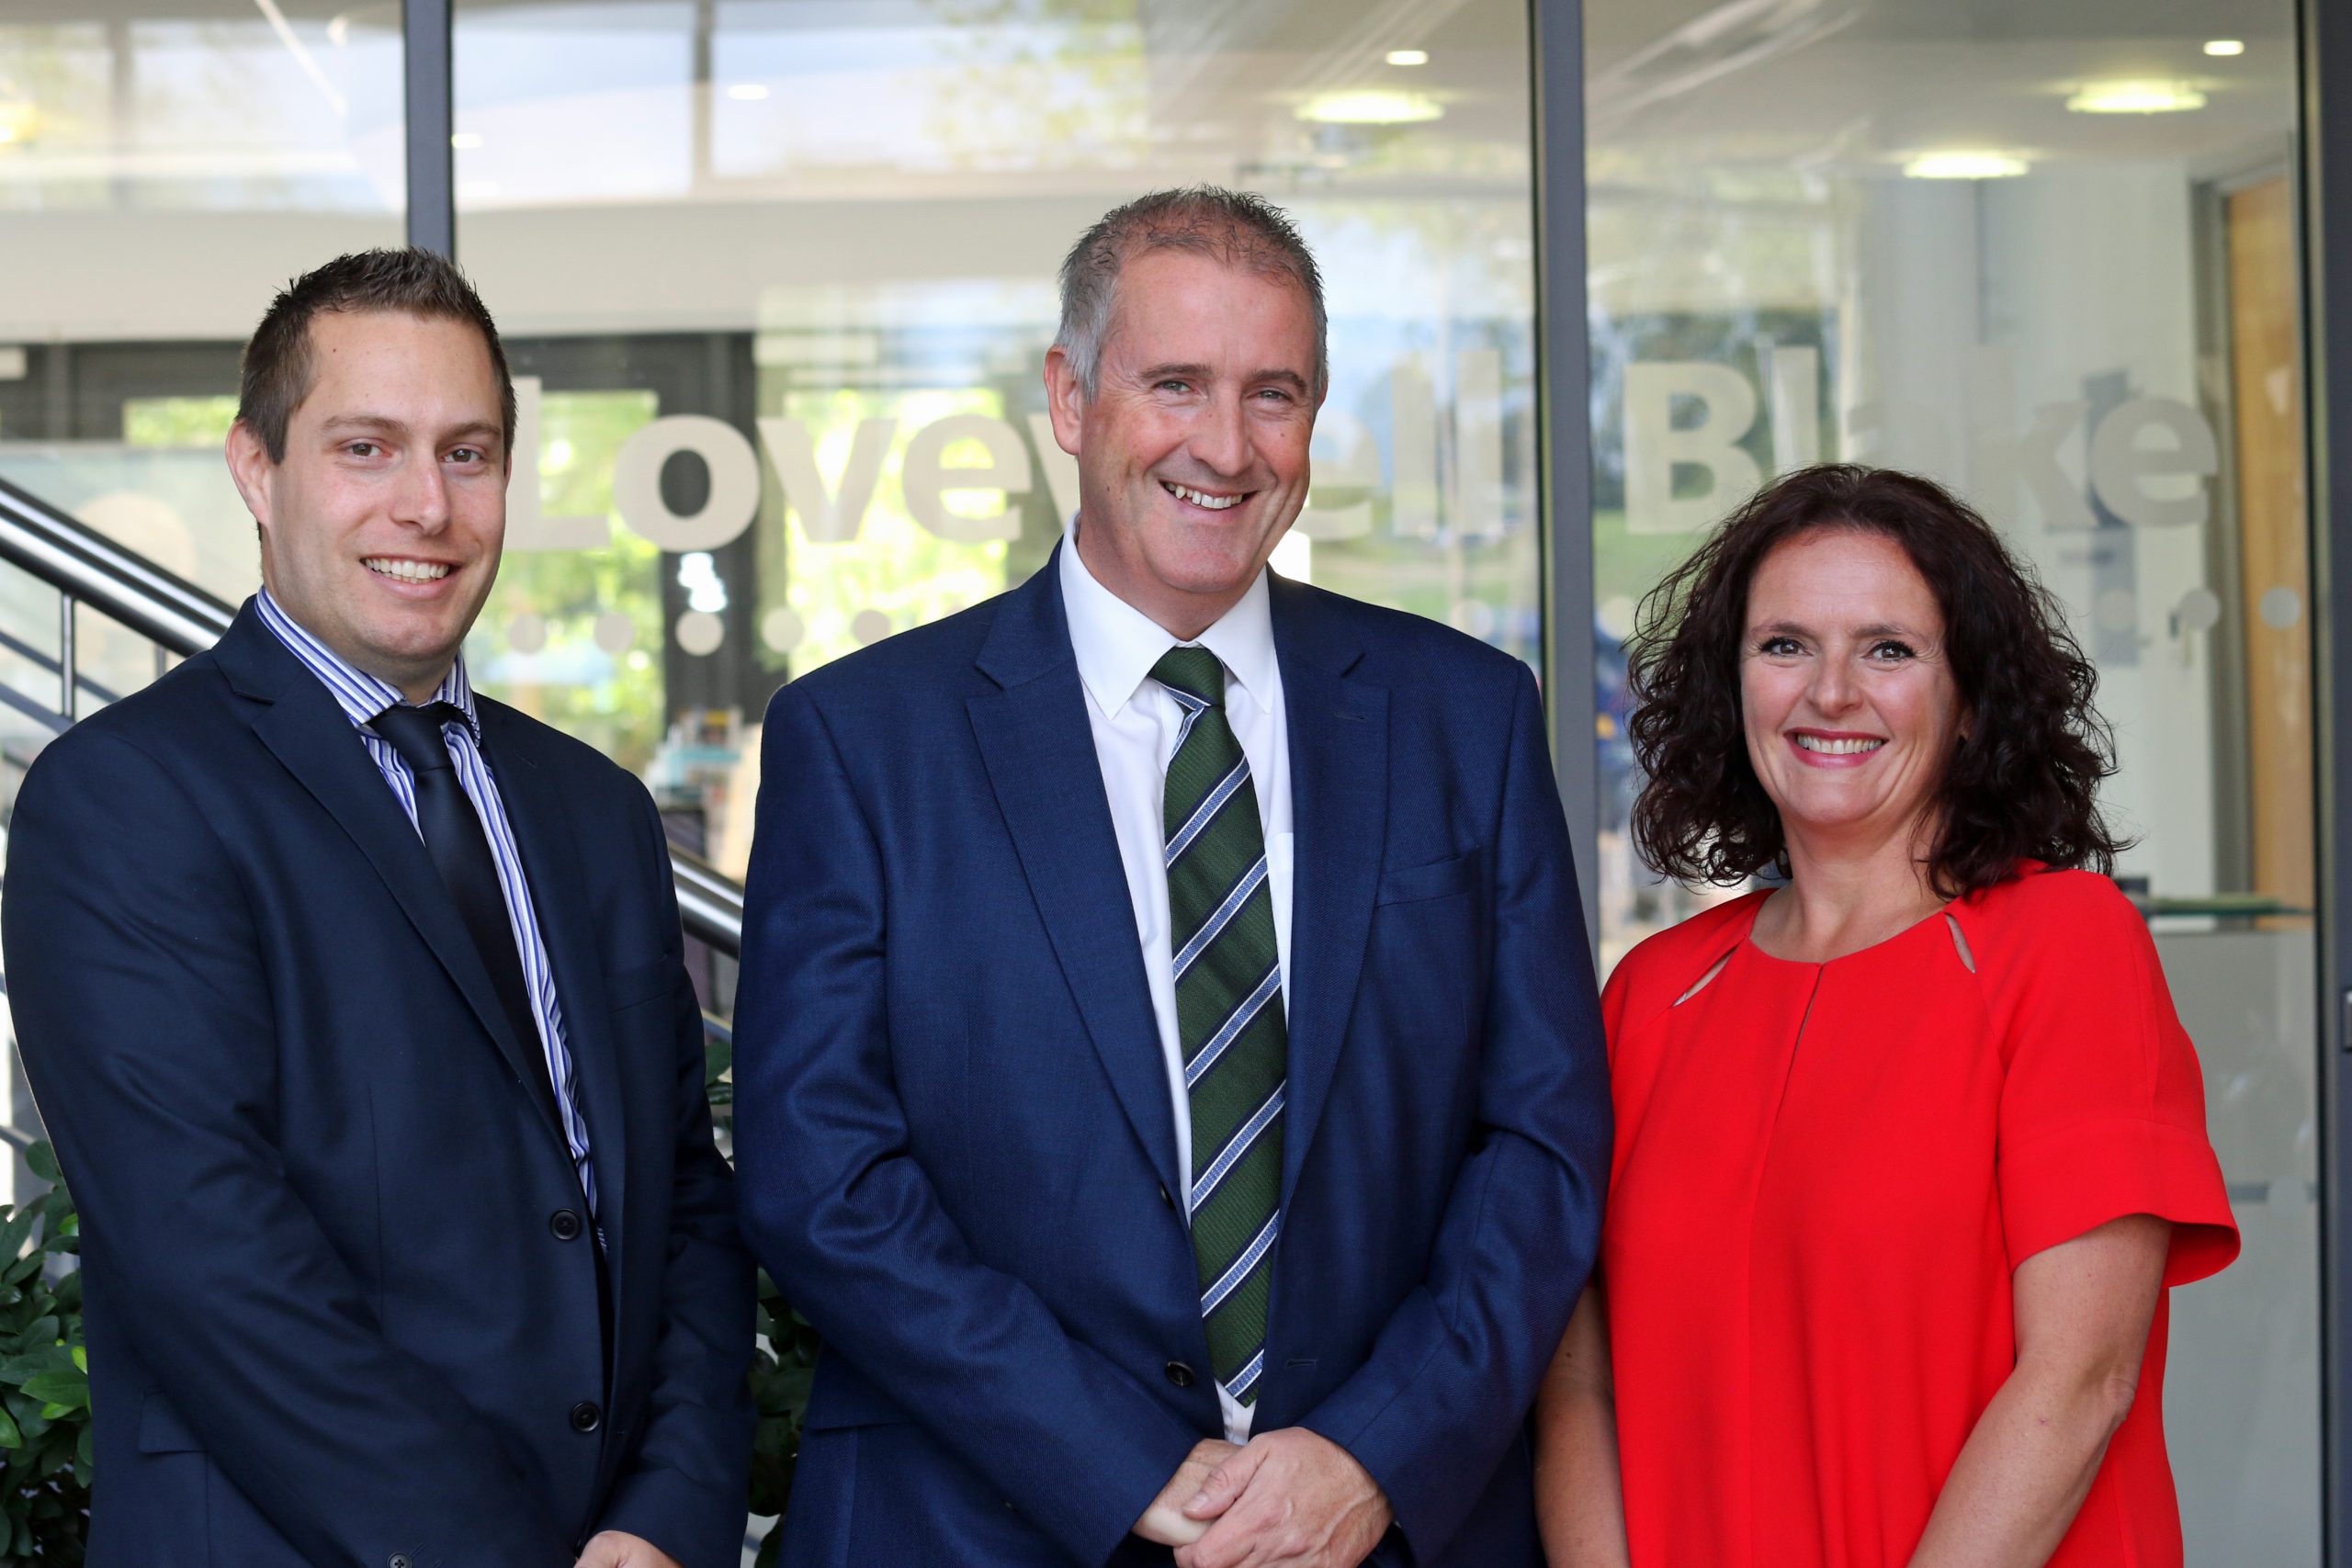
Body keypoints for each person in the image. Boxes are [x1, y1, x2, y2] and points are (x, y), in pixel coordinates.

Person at [730, 186, 1611, 1568]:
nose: (1226, 444)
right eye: (1176, 384)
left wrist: (1377, 1443)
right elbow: (821, 1170)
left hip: (1375, 1526)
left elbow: (1542, 1138)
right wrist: (1118, 1456)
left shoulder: (1465, 715)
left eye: (1275, 393)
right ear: (1071, 398)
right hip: (974, 1518)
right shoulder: (864, 738)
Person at [1, 249, 754, 1568]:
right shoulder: (121, 799)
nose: (428, 505)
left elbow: (680, 1199)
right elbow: (213, 1264)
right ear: (254, 467)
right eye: (367, 447)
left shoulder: (593, 810)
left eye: (470, 453)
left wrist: (667, 1513)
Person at [1534, 464, 2239, 1568]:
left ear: (1969, 703)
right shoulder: (1654, 995)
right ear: (1733, 690)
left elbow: (2080, 1379)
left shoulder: (2063, 947)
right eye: (1785, 646)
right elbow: (1577, 1377)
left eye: (1888, 650)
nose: (1830, 694)